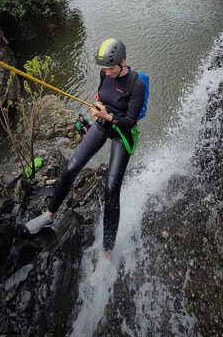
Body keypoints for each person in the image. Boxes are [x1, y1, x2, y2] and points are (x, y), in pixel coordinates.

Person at [25, 38, 146, 258]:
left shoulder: (136, 85)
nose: (107, 72)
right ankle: (49, 215)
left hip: (122, 133)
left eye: (110, 68)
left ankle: (107, 251)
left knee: (111, 188)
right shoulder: (104, 75)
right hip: (102, 125)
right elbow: (103, 96)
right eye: (104, 69)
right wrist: (98, 107)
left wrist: (107, 115)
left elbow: (129, 121)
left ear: (123, 62)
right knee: (70, 168)